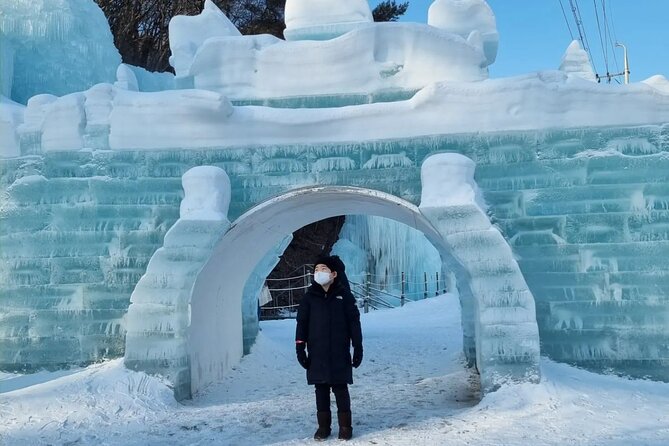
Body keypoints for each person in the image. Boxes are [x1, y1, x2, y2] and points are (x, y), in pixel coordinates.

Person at [295, 255, 363, 441]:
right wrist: (300, 348)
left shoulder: (344, 295)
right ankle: (323, 427)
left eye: (323, 269)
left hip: (339, 351)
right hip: (317, 352)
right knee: (321, 390)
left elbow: (354, 323)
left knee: (341, 389)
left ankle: (345, 427)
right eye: (316, 270)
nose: (319, 273)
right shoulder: (309, 298)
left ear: (333, 274)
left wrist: (358, 347)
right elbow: (302, 323)